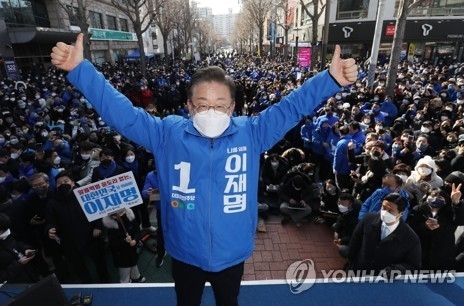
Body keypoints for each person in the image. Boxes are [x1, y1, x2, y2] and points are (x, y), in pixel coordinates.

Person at [51, 34, 358, 306]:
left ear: (233, 107)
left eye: (220, 105)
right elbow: (124, 115)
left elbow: (291, 107)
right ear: (189, 106)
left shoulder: (253, 132)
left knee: (228, 301)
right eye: (202, 104)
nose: (212, 112)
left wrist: (329, 80)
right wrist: (81, 71)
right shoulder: (166, 134)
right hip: (185, 252)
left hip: (232, 253)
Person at [346, 193, 421, 273]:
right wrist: (349, 265)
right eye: (383, 208)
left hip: (384, 280)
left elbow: (414, 265)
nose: (385, 212)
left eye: (390, 211)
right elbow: (355, 241)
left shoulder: (411, 238)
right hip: (359, 272)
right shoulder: (368, 219)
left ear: (401, 213)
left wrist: (397, 269)